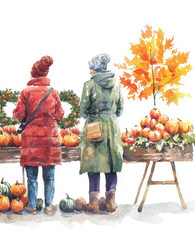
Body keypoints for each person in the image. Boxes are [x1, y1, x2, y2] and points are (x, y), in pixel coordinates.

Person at [13, 56, 64, 215]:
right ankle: (49, 206)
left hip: (31, 140)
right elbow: (60, 115)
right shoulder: (53, 93)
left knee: (32, 177)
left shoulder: (25, 92)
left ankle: (32, 206)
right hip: (50, 139)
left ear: (33, 74)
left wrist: (18, 113)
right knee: (49, 176)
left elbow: (19, 115)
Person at [79, 53, 124, 213]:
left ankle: (94, 203)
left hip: (94, 127)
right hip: (112, 127)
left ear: (96, 68)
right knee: (111, 164)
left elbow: (83, 111)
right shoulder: (117, 84)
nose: (89, 71)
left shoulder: (89, 85)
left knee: (94, 164)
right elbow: (120, 109)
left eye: (91, 67)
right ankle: (111, 203)